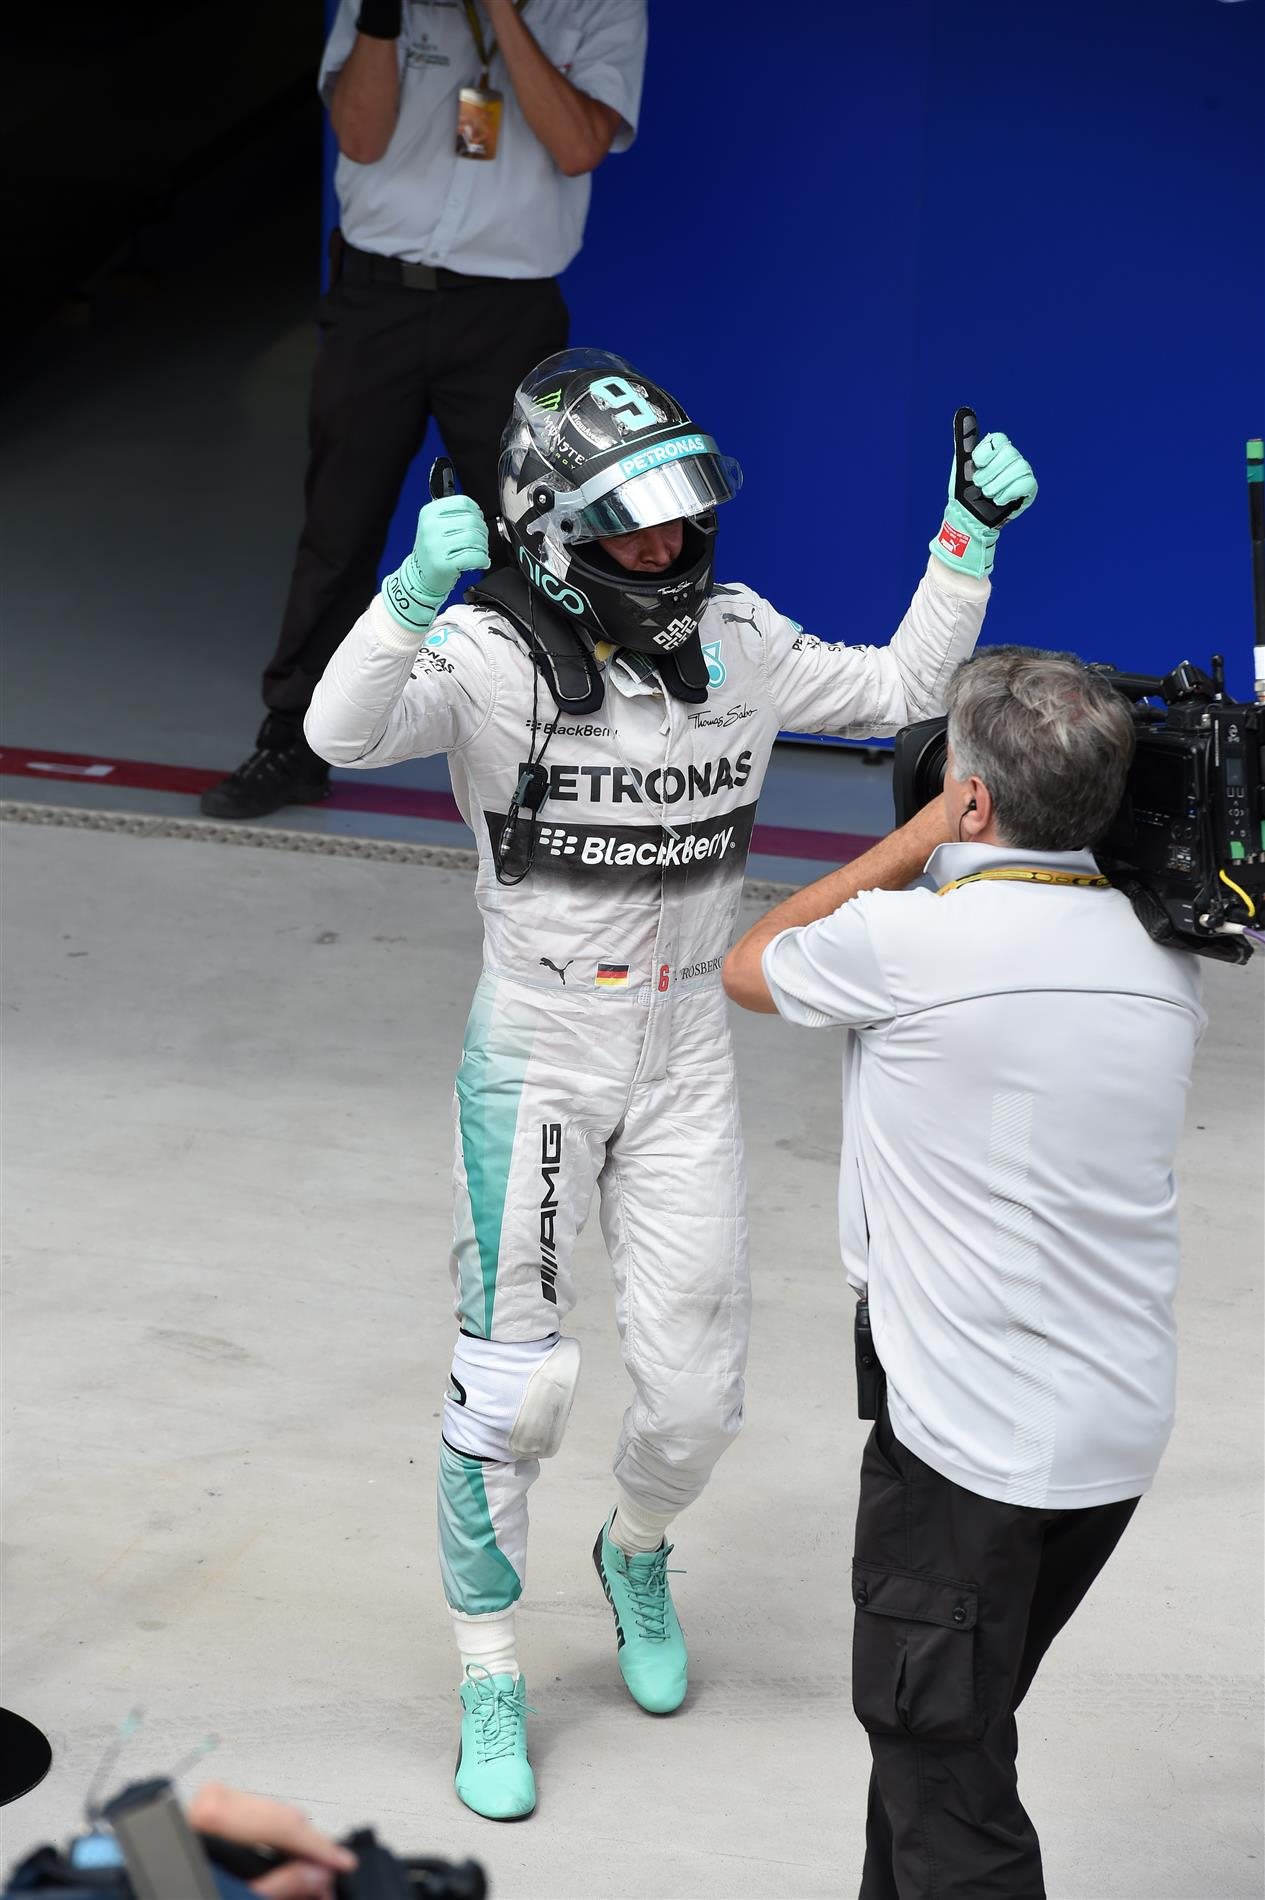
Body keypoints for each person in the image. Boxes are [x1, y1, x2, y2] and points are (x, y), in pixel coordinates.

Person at [303, 345, 1038, 1820]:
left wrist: (965, 539)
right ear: (553, 532)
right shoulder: (493, 658)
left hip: (690, 1041)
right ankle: (491, 1661)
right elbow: (341, 733)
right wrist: (402, 599)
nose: (665, 545)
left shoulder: (742, 637)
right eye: (628, 523)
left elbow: (902, 686)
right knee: (510, 1390)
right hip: (540, 1055)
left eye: (678, 515)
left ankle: (633, 1548)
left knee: (701, 1391)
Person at [722, 647, 1207, 1899]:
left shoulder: (908, 943)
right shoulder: (1162, 963)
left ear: (974, 801)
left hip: (967, 1453)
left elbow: (752, 960)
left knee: (944, 1776)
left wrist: (927, 832)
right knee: (939, 1737)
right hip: (1104, 1448)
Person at [201, 0, 647, 822]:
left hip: (505, 309)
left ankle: (552, 748)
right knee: (338, 524)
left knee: (530, 534)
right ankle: (293, 740)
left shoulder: (600, 6)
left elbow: (580, 145)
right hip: (377, 297)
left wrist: (502, 14)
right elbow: (361, 138)